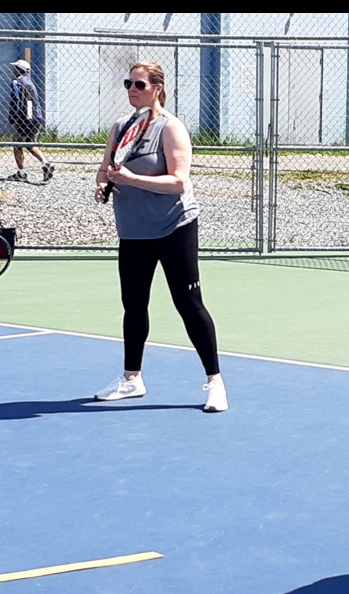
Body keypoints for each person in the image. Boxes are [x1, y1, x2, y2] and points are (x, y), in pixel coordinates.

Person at [93, 61, 228, 413]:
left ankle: (215, 383)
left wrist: (131, 180)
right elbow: (106, 169)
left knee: (188, 305)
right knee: (133, 305)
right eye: (128, 83)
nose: (131, 89)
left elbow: (179, 182)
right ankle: (131, 379)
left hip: (174, 228)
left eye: (139, 84)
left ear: (156, 88)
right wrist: (103, 183)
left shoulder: (171, 128)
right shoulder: (121, 127)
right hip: (134, 231)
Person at [8, 59, 54, 183]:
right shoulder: (28, 82)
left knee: (17, 145)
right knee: (30, 143)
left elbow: (27, 102)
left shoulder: (21, 83)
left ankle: (22, 173)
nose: (13, 70)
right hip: (34, 118)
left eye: (15, 68)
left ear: (19, 70)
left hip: (26, 119)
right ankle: (46, 164)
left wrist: (24, 120)